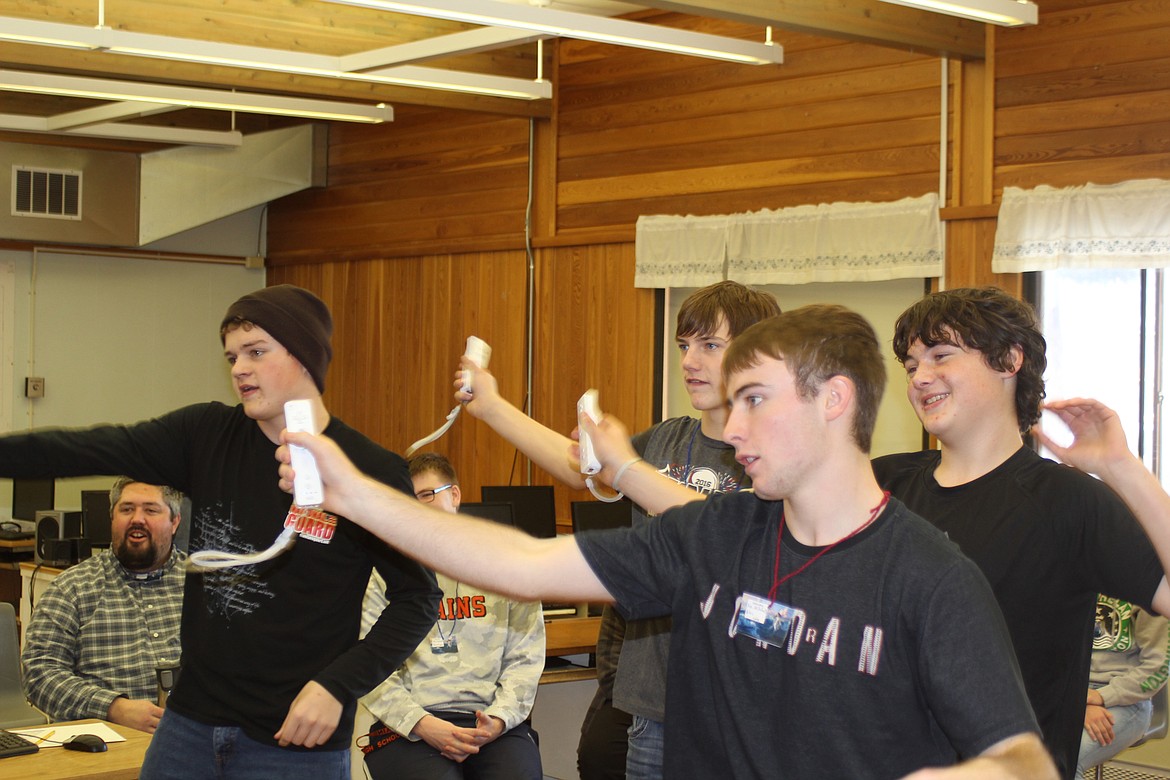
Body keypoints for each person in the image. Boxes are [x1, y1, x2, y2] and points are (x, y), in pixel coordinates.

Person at [280, 304, 1058, 780]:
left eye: (753, 400)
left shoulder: (931, 577)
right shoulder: (713, 533)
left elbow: (1024, 758)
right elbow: (520, 561)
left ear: (835, 400)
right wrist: (355, 494)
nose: (736, 429)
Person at [0, 285, 440, 779]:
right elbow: (93, 448)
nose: (238, 369)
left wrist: (339, 686)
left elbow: (418, 597)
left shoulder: (369, 470)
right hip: (189, 727)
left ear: (306, 358)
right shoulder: (205, 435)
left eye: (256, 352)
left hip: (294, 744)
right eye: (232, 356)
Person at [456, 280, 779, 779]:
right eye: (684, 346)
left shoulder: (775, 454)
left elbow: (726, 534)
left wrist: (627, 467)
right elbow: (576, 466)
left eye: (710, 345)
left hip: (735, 708)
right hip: (652, 700)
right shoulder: (668, 438)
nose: (690, 361)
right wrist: (494, 406)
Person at [872, 286, 1170, 780]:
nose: (920, 378)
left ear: (1009, 360)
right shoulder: (882, 484)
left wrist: (1121, 468)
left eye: (941, 356)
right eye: (910, 366)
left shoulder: (1066, 502)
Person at [358, 452, 544, 779]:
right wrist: (422, 724)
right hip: (414, 726)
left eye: (428, 495)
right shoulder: (386, 574)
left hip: (492, 723)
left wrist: (498, 720)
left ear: (454, 495)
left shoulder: (507, 565)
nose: (418, 507)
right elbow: (370, 666)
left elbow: (525, 658)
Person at [21, 477, 186, 733]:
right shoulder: (71, 588)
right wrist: (113, 707)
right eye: (127, 509)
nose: (137, 519)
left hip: (196, 738)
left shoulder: (204, 586)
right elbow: (40, 673)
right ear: (112, 517)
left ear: (174, 521)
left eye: (151, 510)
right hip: (106, 737)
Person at [1077, 596, 1169, 775]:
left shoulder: (1151, 588)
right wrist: (1079, 702)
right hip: (1073, 693)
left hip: (1126, 701)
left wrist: (1102, 697)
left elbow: (1158, 668)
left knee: (1063, 759)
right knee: (1016, 749)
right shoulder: (1075, 577)